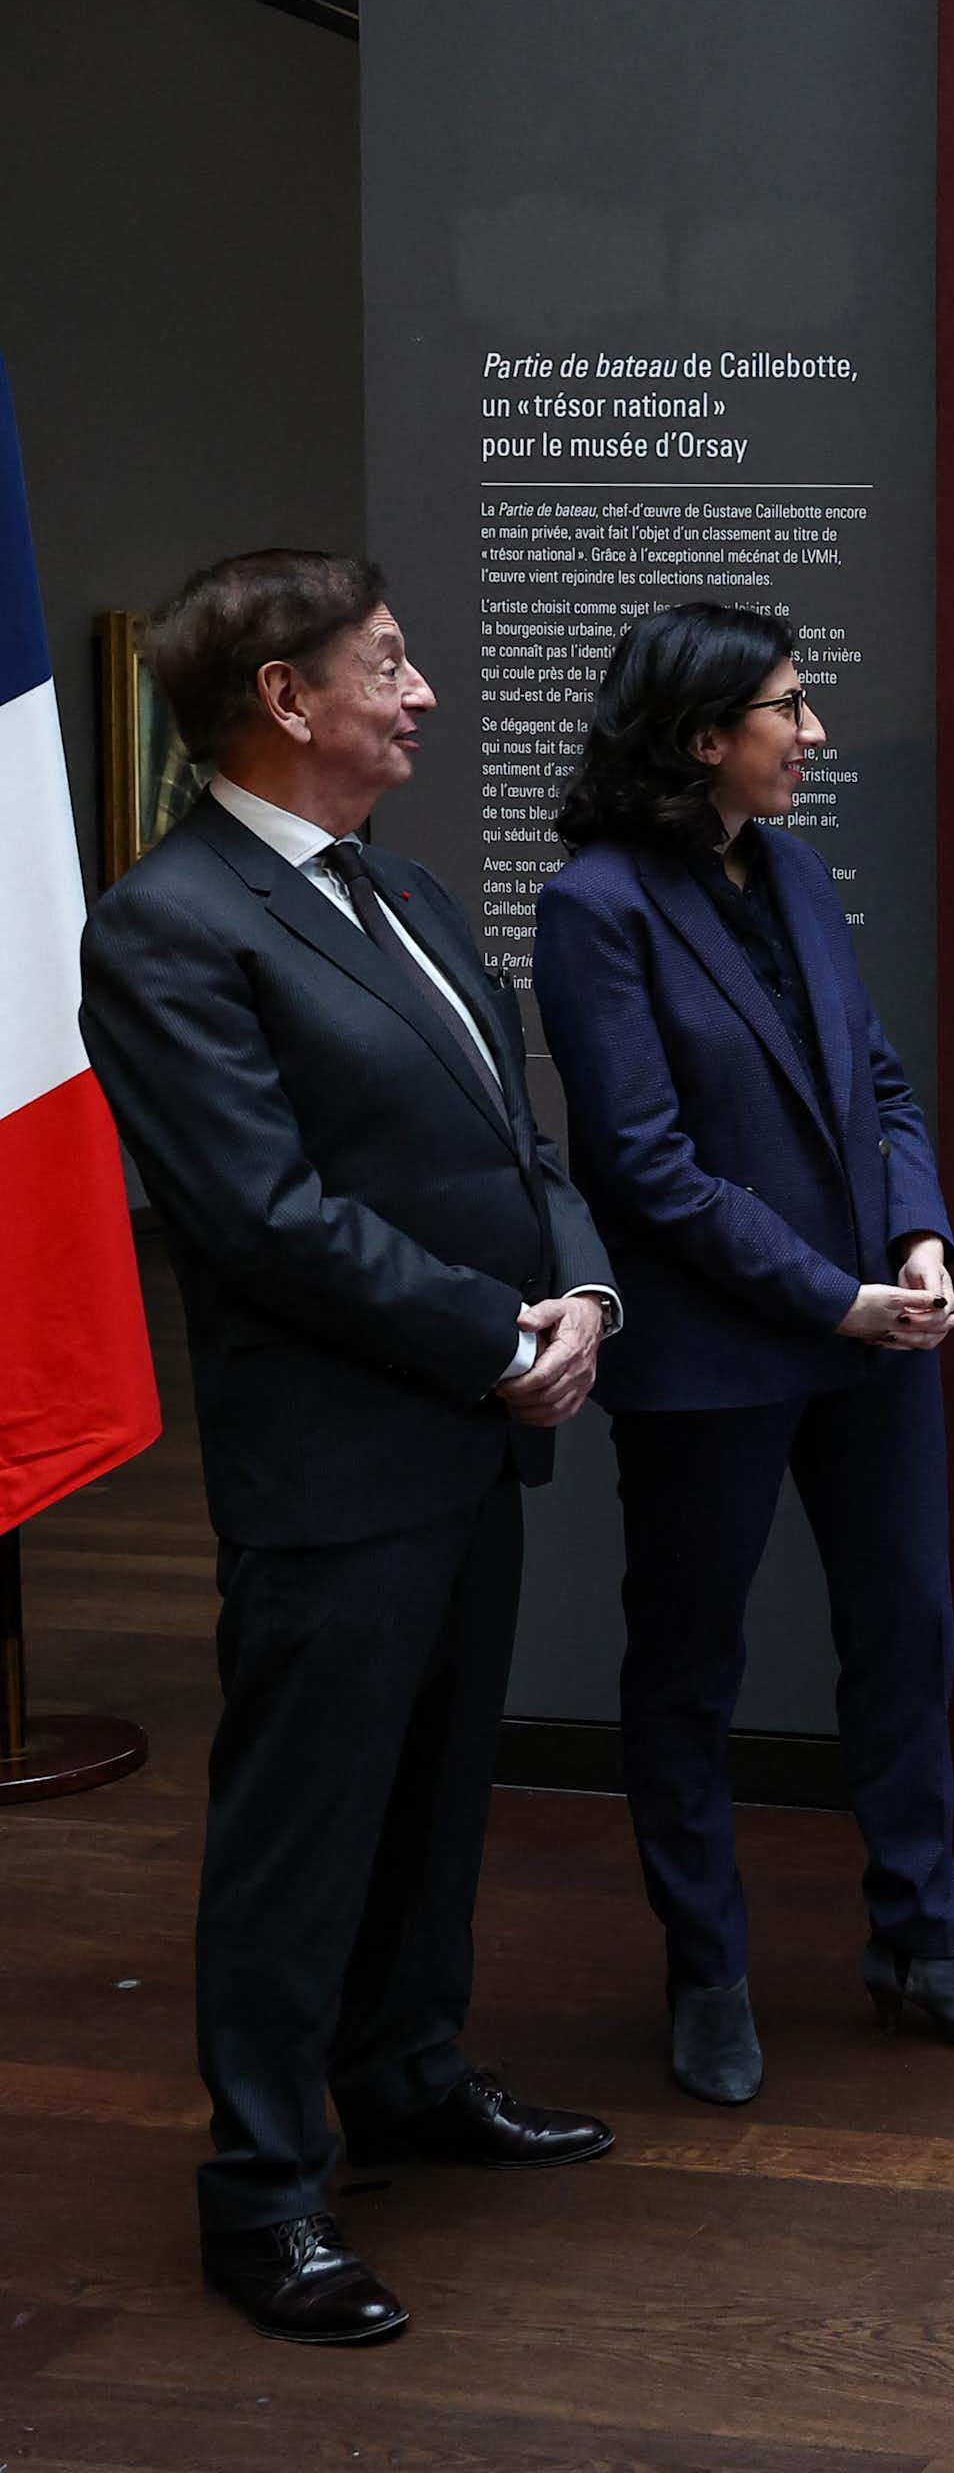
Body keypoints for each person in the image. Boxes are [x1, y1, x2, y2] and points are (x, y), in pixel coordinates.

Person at [78, 551, 620, 2347]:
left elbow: (513, 1143)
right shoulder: (170, 924)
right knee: (298, 1838)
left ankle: (407, 2079)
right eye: (388, 665)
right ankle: (262, 2196)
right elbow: (262, 1216)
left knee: (434, 1794)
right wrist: (493, 1339)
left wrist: (583, 1298)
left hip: (470, 1437)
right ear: (285, 703)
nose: (424, 694)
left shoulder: (405, 889)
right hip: (338, 1463)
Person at [531, 603, 954, 2107]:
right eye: (789, 708)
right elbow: (643, 1170)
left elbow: (879, 1083)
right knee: (689, 1667)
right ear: (705, 738)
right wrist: (832, 1296)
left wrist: (920, 1239)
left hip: (877, 1328)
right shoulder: (596, 907)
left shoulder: (801, 873)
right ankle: (706, 1975)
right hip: (721, 1354)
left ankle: (923, 1949)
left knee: (910, 1635)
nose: (814, 734)